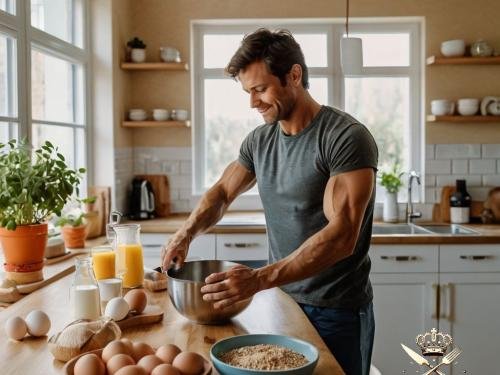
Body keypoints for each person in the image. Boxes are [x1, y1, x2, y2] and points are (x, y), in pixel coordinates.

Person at [161, 28, 378, 375]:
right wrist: (185, 233)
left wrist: (259, 279)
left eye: (260, 89)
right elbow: (221, 194)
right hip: (282, 302)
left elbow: (342, 237)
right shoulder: (260, 141)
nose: (253, 102)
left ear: (294, 75)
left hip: (336, 310)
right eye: (248, 92)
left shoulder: (345, 138)